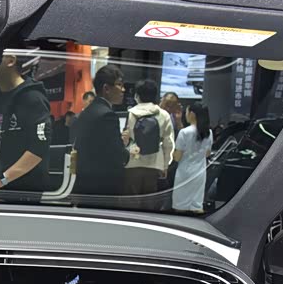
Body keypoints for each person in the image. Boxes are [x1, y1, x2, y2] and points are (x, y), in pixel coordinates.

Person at [0, 54, 52, 195]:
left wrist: (3, 179)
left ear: (10, 60)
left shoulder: (33, 98)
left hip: (24, 190)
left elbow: (39, 146)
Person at [73, 65, 129, 197]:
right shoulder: (108, 115)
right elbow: (116, 154)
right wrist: (126, 148)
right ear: (106, 88)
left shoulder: (86, 112)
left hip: (84, 182)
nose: (123, 89)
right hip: (103, 185)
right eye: (119, 85)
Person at [124, 79, 174, 209]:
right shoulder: (164, 115)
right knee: (150, 202)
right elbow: (168, 143)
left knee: (131, 202)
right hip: (155, 163)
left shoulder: (130, 114)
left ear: (137, 95)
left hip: (133, 162)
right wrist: (165, 165)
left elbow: (126, 139)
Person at [172, 103, 213, 213]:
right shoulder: (208, 132)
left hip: (184, 172)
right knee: (197, 205)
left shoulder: (184, 132)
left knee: (180, 205)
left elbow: (177, 157)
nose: (185, 115)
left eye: (186, 112)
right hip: (200, 172)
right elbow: (207, 154)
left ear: (192, 114)